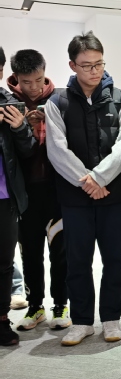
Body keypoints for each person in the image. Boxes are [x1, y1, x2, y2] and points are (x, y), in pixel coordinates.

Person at [44, 32, 121, 346]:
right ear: (72, 65)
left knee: (115, 261)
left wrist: (100, 178)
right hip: (75, 196)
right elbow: (57, 149)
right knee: (77, 262)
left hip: (114, 194)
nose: (94, 71)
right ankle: (82, 321)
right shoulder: (57, 102)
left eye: (99, 64)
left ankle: (111, 319)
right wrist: (89, 181)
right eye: (86, 66)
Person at [5, 49, 70, 333]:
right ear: (16, 78)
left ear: (45, 73)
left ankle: (61, 305)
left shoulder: (60, 99)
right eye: (26, 82)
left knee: (61, 251)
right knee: (30, 252)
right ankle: (35, 307)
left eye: (38, 80)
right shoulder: (8, 103)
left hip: (57, 190)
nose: (33, 87)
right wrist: (23, 128)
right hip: (24, 192)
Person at [0, 63, 36, 347]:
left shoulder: (10, 103)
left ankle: (1, 319)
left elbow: (29, 151)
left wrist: (20, 127)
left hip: (5, 197)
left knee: (3, 262)